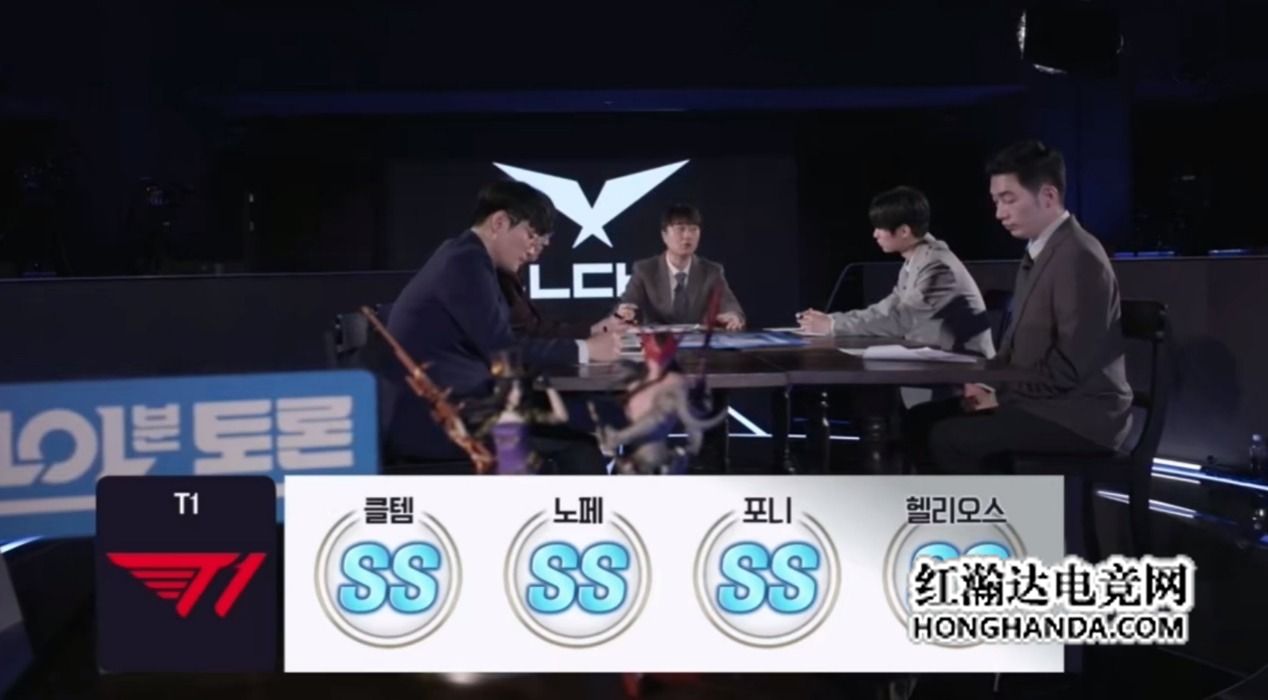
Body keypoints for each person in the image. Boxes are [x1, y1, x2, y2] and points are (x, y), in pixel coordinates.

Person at [911, 140, 1133, 472]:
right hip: (1040, 402)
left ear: (1048, 196)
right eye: (996, 201)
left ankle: (993, 508)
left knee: (948, 437)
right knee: (920, 420)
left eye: (1009, 199)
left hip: (1080, 416)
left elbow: (1070, 368)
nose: (999, 213)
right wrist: (987, 384)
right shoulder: (1040, 251)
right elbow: (1017, 353)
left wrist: (999, 397)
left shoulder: (1079, 256)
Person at [382, 180, 622, 472]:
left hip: (459, 408)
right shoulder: (464, 264)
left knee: (577, 426)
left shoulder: (467, 257)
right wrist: (586, 349)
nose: (533, 251)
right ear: (499, 222)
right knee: (580, 444)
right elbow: (503, 353)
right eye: (531, 235)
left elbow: (507, 340)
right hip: (441, 423)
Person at [797, 186, 994, 359]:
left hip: (966, 369)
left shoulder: (937, 266)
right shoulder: (917, 259)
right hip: (941, 360)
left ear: (904, 231)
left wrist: (832, 326)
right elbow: (887, 309)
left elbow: (902, 319)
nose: (875, 234)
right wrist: (832, 320)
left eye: (880, 228)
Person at [615, 204, 745, 329]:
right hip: (656, 342)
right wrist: (625, 312)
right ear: (664, 235)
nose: (687, 236)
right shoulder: (645, 270)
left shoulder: (711, 271)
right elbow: (627, 303)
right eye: (680, 229)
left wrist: (733, 316)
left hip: (698, 342)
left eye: (693, 229)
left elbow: (730, 304)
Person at [498, 232, 629, 339]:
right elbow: (529, 335)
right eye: (533, 234)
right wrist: (586, 347)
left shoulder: (513, 273)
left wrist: (593, 330)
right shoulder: (500, 276)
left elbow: (536, 329)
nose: (546, 242)